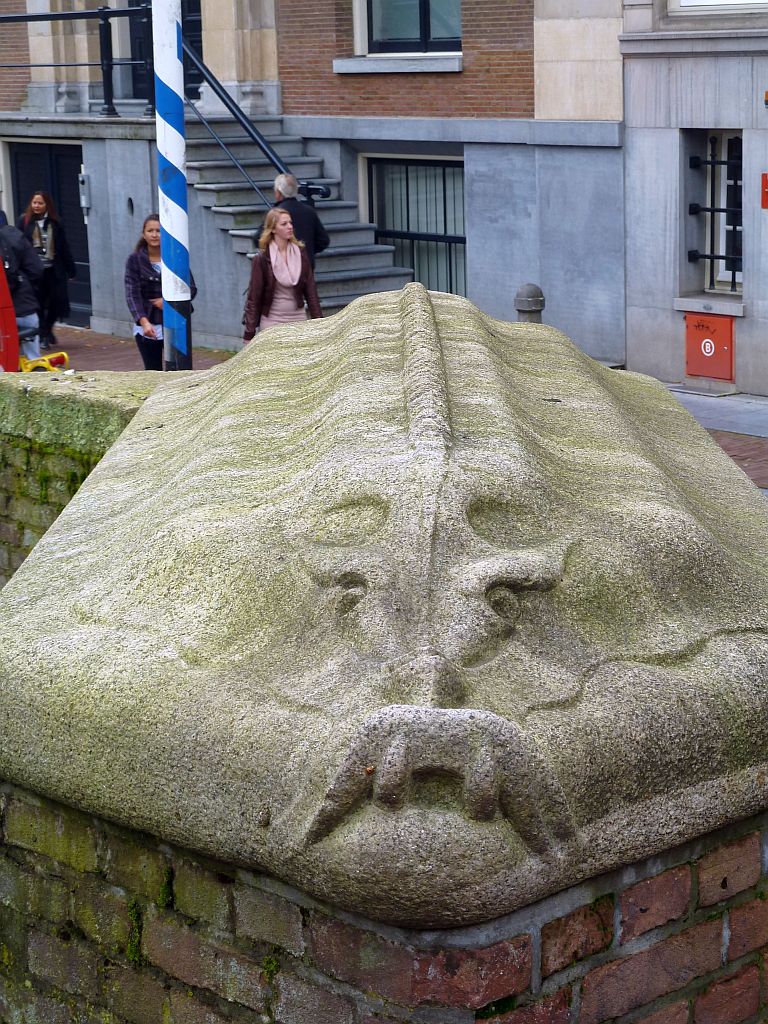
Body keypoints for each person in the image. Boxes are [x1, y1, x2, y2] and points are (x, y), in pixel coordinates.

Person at [124, 214, 198, 371]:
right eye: (150, 230)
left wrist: (169, 302)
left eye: (158, 230)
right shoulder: (135, 260)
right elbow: (132, 294)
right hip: (148, 323)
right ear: (143, 234)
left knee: (179, 369)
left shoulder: (175, 257)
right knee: (153, 370)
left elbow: (190, 287)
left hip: (175, 321)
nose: (154, 234)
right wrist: (144, 322)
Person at [242, 208, 323, 343]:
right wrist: (249, 333)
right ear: (273, 229)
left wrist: (320, 324)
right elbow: (254, 297)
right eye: (284, 224)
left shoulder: (300, 254)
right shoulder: (262, 258)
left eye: (290, 223)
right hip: (272, 320)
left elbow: (311, 291)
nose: (290, 227)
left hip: (298, 319)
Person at [16, 191, 76, 350]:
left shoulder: (56, 222)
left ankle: (48, 328)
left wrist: (71, 270)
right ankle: (43, 335)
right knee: (38, 304)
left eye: (40, 203)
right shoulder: (24, 221)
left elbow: (64, 247)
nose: (36, 206)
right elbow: (18, 245)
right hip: (33, 272)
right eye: (34, 203)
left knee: (58, 302)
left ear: (47, 205)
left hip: (53, 269)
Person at [0, 222, 44, 361]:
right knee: (33, 357)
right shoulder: (15, 235)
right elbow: (36, 269)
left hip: (2, 312)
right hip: (24, 305)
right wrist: (24, 283)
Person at [273, 173, 330, 269]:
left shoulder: (275, 213)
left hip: (283, 268)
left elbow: (260, 239)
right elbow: (323, 240)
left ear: (278, 193)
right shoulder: (309, 211)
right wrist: (308, 250)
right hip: (306, 266)